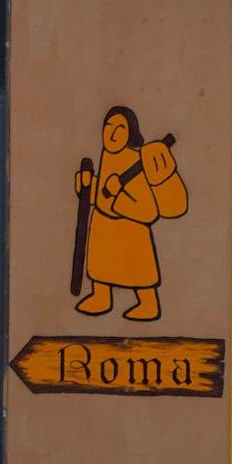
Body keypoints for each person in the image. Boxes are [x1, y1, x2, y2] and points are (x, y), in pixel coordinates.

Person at [73, 105, 186, 322]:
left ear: (129, 134)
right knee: (100, 268)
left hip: (129, 230)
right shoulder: (106, 154)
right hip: (103, 226)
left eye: (120, 128)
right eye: (109, 126)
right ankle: (101, 296)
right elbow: (103, 193)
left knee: (139, 272)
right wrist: (88, 188)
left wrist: (118, 197)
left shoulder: (136, 163)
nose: (112, 133)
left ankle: (148, 304)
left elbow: (149, 211)